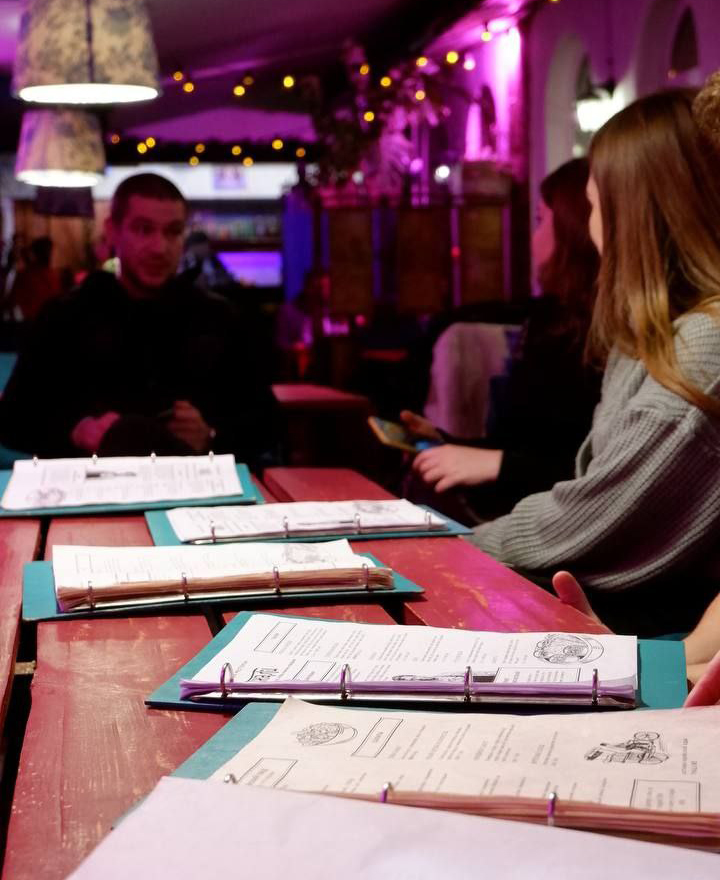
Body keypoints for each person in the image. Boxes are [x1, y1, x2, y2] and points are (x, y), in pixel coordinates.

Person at [466, 89, 720, 637]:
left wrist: (455, 547)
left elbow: (593, 518)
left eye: (596, 204)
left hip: (654, 633)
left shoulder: (704, 347)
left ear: (634, 214)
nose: (591, 225)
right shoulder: (654, 334)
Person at [0, 173, 277, 468]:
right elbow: (13, 422)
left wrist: (211, 435)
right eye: (143, 230)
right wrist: (75, 431)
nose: (160, 247)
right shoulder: (65, 316)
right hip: (85, 490)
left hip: (196, 491)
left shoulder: (218, 318)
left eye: (173, 232)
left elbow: (269, 425)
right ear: (113, 231)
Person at [402, 158, 601, 520]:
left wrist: (496, 464)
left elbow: (592, 470)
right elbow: (529, 444)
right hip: (520, 504)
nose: (533, 237)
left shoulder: (599, 332)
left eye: (540, 220)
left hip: (543, 519)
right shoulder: (553, 318)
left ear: (573, 228)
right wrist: (448, 442)